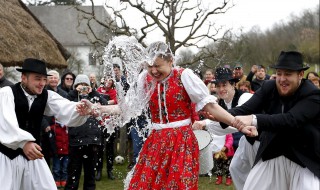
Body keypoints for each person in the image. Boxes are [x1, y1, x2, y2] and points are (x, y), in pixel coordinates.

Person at [77, 41, 257, 189]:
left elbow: (210, 107)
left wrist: (237, 124)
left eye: (158, 66)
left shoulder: (184, 76)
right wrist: (96, 108)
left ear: (171, 61)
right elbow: (127, 108)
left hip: (182, 141)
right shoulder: (144, 79)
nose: (153, 71)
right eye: (149, 66)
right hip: (155, 141)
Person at [223, 51, 320, 190]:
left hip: (304, 160)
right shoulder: (269, 87)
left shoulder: (313, 94)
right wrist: (215, 117)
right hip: (272, 155)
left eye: (287, 74)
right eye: (279, 73)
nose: (282, 79)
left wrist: (253, 119)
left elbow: (290, 119)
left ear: (300, 75)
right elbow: (243, 109)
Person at [0, 58, 89, 190]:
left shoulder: (46, 96)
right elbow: (5, 121)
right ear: (24, 78)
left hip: (33, 157)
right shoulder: (6, 93)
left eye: (44, 79)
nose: (42, 83)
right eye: (37, 79)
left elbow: (64, 107)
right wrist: (23, 142)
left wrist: (80, 109)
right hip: (6, 158)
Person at [65, 74, 108, 190]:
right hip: (75, 140)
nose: (83, 88)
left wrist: (93, 92)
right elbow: (64, 105)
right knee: (73, 175)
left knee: (90, 176)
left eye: (85, 85)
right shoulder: (72, 97)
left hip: (92, 140)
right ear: (75, 86)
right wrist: (75, 93)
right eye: (80, 85)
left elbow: (105, 104)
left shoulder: (94, 97)